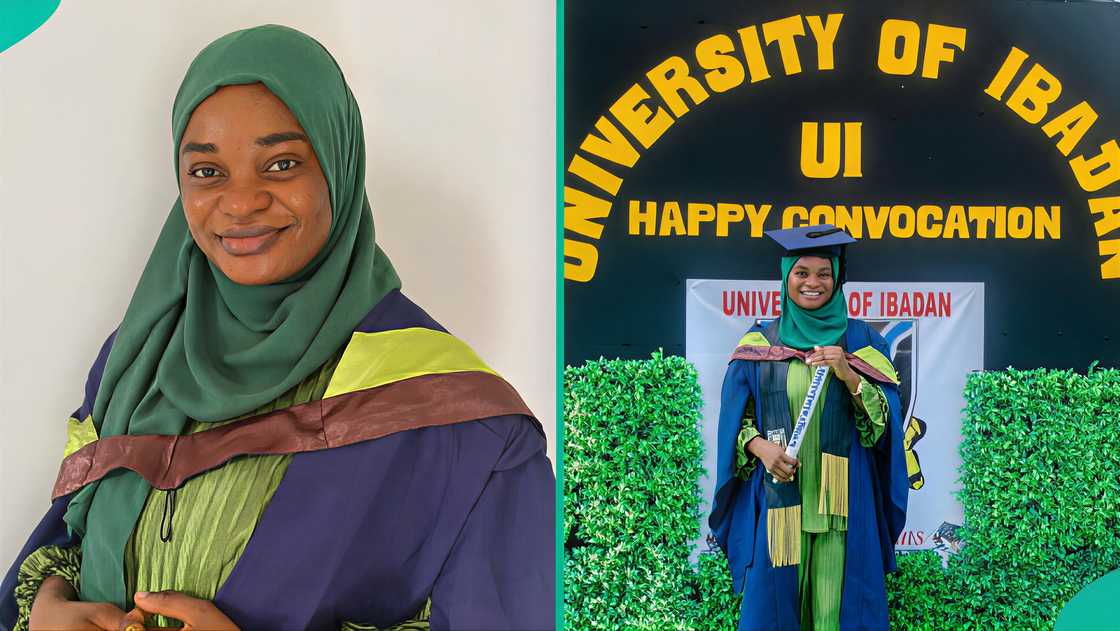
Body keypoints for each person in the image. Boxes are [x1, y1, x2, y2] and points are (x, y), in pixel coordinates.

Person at [0, 25, 554, 631]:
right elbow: (71, 536)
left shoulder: (461, 420)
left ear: (338, 170)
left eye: (282, 163)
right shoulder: (140, 359)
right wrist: (47, 610)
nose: (240, 203)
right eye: (207, 172)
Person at [708, 225, 908, 631]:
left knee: (839, 613)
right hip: (782, 500)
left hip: (843, 506)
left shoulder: (863, 340)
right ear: (786, 278)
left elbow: (883, 428)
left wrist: (848, 373)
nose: (812, 283)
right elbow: (736, 421)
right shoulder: (759, 343)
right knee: (778, 608)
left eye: (824, 273)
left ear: (837, 281)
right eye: (802, 272)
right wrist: (760, 447)